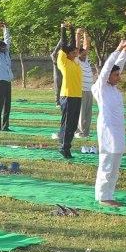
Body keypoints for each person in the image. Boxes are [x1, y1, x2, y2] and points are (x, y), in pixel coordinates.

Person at [93, 40, 126, 207]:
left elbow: (117, 66)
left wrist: (125, 52)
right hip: (107, 130)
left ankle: (110, 194)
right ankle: (103, 196)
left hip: (118, 130)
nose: (118, 77)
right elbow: (108, 68)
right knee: (107, 162)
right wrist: (117, 49)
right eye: (116, 75)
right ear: (108, 77)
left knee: (116, 164)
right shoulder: (102, 88)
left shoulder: (113, 89)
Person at [55, 23, 83, 159]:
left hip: (77, 96)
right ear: (67, 53)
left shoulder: (75, 62)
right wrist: (63, 29)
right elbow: (64, 45)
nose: (76, 53)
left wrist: (72, 29)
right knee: (67, 123)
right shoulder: (63, 61)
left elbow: (72, 44)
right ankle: (64, 147)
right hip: (68, 96)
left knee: (72, 123)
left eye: (76, 51)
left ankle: (65, 144)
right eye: (73, 52)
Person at [76, 29, 95, 139]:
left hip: (89, 90)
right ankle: (79, 132)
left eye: (85, 54)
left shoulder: (86, 60)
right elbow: (78, 47)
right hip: (81, 90)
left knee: (88, 113)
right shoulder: (77, 61)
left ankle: (86, 132)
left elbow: (86, 46)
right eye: (82, 54)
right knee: (81, 113)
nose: (84, 55)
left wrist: (85, 34)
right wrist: (78, 35)